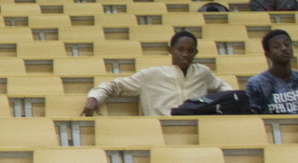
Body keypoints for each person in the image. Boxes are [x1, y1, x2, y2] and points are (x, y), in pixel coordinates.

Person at [82, 31, 224, 117]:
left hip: (196, 127)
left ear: (195, 53)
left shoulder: (203, 73)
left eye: (190, 51)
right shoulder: (151, 75)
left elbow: (223, 88)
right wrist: (94, 98)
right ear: (170, 50)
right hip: (161, 128)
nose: (185, 54)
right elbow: (113, 86)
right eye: (180, 49)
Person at [242, 29, 298, 114]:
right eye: (277, 46)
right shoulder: (256, 84)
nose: (284, 49)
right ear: (267, 54)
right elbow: (253, 118)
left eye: (287, 44)